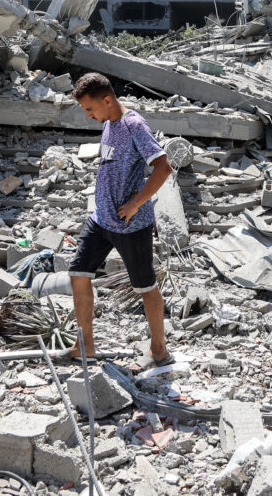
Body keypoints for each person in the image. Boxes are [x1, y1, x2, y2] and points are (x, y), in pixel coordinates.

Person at [68, 73, 174, 364]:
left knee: (145, 287)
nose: (89, 115)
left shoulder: (134, 125)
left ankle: (159, 349)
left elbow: (163, 167)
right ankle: (85, 345)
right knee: (78, 273)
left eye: (90, 109)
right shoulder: (108, 122)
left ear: (106, 100)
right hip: (101, 219)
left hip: (130, 225)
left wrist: (135, 204)